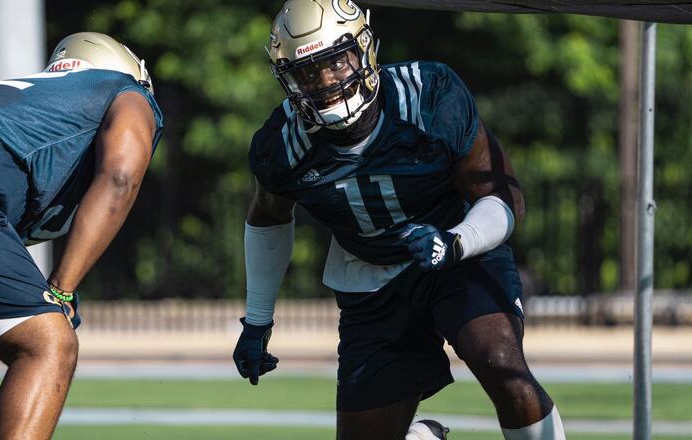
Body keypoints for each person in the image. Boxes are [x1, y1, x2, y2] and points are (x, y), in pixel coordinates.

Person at [232, 1, 566, 439]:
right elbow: (269, 217)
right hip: (371, 281)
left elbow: (504, 197)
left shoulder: (429, 95)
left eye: (336, 62)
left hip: (460, 253)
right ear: (288, 80)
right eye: (309, 72)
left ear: (365, 50)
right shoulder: (282, 144)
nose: (328, 82)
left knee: (502, 364)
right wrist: (258, 319)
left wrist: (456, 242)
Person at [0, 32, 163, 439]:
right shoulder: (125, 91)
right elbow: (120, 175)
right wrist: (61, 289)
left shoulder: (19, 96)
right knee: (48, 344)